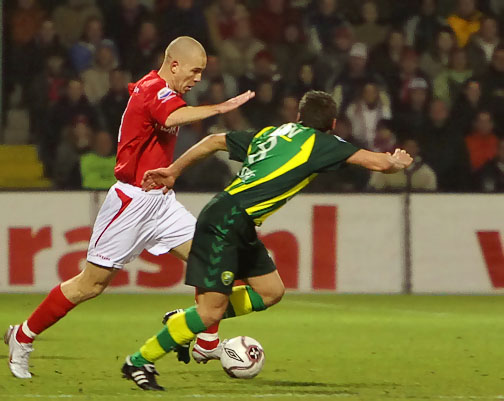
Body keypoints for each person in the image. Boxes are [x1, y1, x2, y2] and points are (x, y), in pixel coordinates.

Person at [122, 90, 413, 391]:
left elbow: (213, 141)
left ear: (299, 117)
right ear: (333, 123)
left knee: (270, 291)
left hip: (237, 220)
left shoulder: (272, 133)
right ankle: (140, 360)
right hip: (227, 221)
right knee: (211, 311)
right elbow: (378, 164)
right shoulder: (323, 143)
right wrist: (396, 161)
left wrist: (173, 171)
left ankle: (184, 320)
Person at [4, 36, 255, 380]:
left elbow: (173, 113)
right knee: (89, 285)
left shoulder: (163, 91)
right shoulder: (155, 90)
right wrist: (218, 108)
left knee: (213, 261)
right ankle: (22, 336)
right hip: (131, 202)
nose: (198, 79)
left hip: (161, 203)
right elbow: (176, 115)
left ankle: (207, 341)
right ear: (175, 64)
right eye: (195, 71)